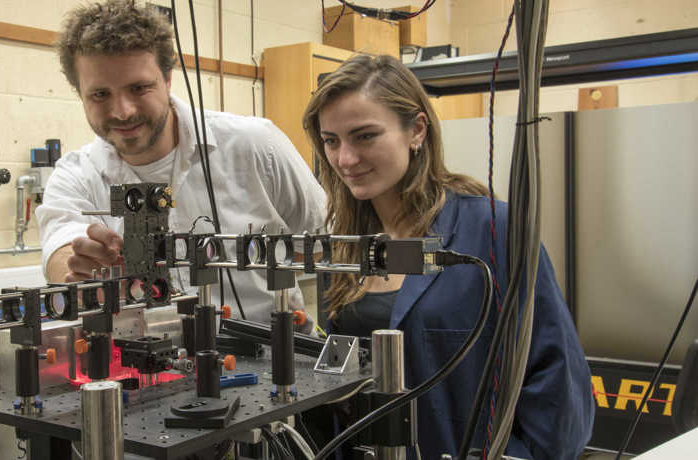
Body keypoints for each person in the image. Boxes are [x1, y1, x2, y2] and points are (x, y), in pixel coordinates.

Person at [302, 54, 594, 459]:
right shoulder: (345, 245)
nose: (345, 160)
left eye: (365, 136)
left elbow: (558, 378)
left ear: (417, 130)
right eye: (332, 141)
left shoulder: (493, 230)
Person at [35, 0, 326, 324]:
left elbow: (321, 240)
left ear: (168, 78)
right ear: (81, 94)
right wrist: (80, 267)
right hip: (150, 369)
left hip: (273, 358)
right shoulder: (75, 174)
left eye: (139, 87)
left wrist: (263, 267)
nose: (122, 110)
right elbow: (59, 251)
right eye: (100, 94)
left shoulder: (255, 144)